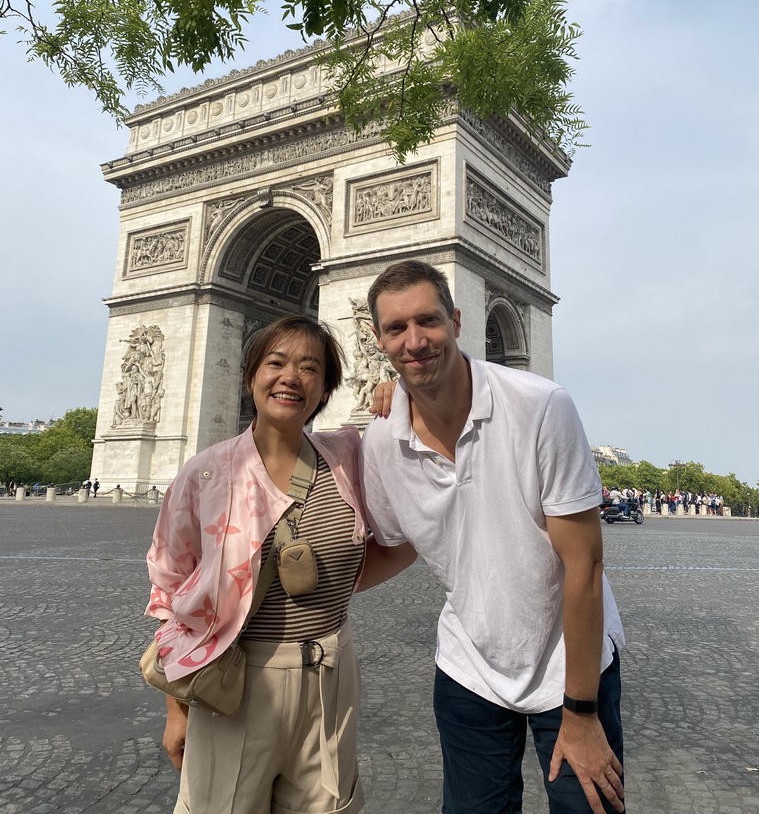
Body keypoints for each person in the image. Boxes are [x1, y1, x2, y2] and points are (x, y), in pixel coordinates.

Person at [359, 260, 625, 814]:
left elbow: (586, 567)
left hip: (567, 667)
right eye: (395, 329)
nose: (414, 341)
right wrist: (314, 592)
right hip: (468, 669)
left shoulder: (541, 406)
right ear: (378, 339)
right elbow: (402, 540)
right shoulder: (381, 440)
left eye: (428, 321)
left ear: (458, 320)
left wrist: (581, 711)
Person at [145, 315, 399, 814]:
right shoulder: (203, 475)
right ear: (250, 375)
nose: (290, 377)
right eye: (275, 362)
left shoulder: (349, 456)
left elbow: (424, 463)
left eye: (310, 367)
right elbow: (169, 596)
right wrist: (176, 709)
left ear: (326, 387)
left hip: (330, 674)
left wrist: (405, 393)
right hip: (237, 680)